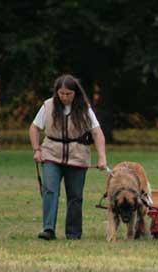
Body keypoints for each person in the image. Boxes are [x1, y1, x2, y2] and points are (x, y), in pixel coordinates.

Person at [29, 74, 107, 241]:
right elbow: (34, 128)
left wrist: (102, 157)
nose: (64, 97)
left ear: (75, 93)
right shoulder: (48, 106)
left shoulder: (85, 109)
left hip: (77, 156)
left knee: (75, 196)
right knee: (50, 190)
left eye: (68, 94)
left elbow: (97, 133)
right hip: (51, 154)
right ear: (57, 92)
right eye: (61, 93)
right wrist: (37, 149)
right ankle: (48, 229)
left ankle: (73, 233)